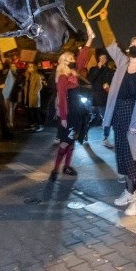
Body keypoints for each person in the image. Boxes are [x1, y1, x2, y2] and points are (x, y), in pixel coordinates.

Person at [97, 7, 136, 216]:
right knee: (122, 155)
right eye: (132, 43)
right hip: (119, 113)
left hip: (134, 115)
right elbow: (110, 44)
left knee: (135, 158)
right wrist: (104, 21)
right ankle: (128, 191)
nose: (134, 46)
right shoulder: (122, 62)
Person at [49, 32, 94, 180]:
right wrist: (63, 117)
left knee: (72, 140)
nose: (73, 60)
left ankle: (66, 166)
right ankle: (56, 169)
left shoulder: (72, 74)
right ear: (63, 62)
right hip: (68, 113)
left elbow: (82, 59)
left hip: (75, 111)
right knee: (65, 141)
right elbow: (61, 97)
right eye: (70, 58)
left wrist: (90, 39)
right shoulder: (63, 77)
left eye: (73, 58)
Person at [87, 49, 114, 148]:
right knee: (91, 118)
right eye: (101, 57)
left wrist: (109, 86)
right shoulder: (93, 69)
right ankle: (84, 133)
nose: (103, 59)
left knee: (107, 119)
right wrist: (98, 67)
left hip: (104, 99)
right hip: (94, 99)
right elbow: (90, 80)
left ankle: (105, 138)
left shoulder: (110, 71)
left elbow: (113, 83)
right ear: (98, 59)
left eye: (104, 58)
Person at [23, 62, 44, 131]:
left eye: (31, 66)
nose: (30, 67)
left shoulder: (37, 75)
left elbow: (39, 85)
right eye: (29, 66)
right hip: (28, 96)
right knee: (29, 111)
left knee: (36, 111)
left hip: (34, 96)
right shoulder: (27, 75)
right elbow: (26, 85)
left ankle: (40, 125)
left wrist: (35, 92)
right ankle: (31, 124)